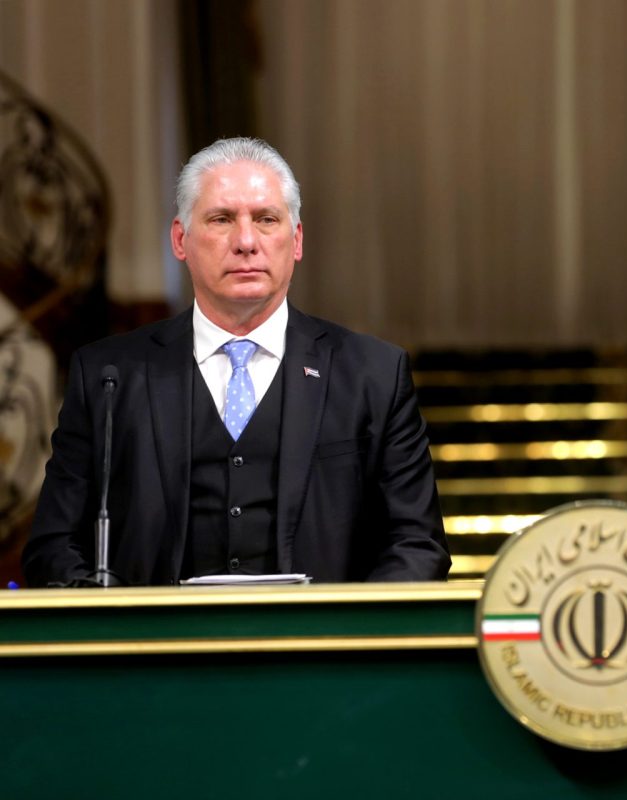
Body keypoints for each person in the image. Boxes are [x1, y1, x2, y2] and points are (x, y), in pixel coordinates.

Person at [23, 137, 451, 585]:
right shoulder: (108, 377)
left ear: (297, 239)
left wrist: (348, 639)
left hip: (317, 649)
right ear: (180, 239)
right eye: (222, 219)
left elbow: (418, 543)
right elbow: (53, 546)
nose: (246, 241)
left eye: (266, 219)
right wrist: (118, 633)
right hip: (158, 649)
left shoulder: (373, 375)